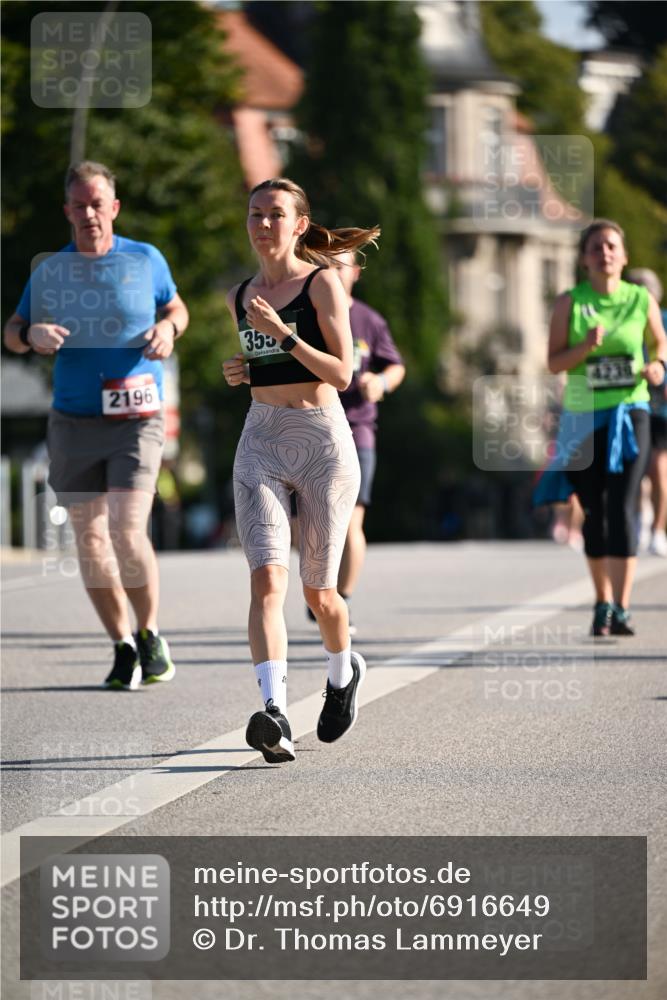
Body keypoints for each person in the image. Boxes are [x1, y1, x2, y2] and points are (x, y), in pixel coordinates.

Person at [4, 160, 189, 688]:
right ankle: (121, 644)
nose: (89, 213)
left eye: (97, 203)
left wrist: (169, 330)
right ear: (67, 211)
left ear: (114, 207)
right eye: (79, 205)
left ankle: (150, 631)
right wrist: (31, 335)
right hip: (74, 419)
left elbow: (177, 309)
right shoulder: (52, 271)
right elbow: (12, 329)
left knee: (126, 531)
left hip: (136, 417)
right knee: (89, 540)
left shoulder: (145, 259)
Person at [222, 177, 380, 764]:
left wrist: (282, 334)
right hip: (262, 437)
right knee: (266, 579)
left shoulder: (323, 283)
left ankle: (342, 673)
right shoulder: (241, 294)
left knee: (321, 595)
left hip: (321, 441)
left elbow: (342, 374)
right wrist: (244, 369)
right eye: (255, 213)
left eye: (275, 215)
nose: (263, 224)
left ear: (299, 225)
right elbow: (266, 364)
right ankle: (275, 712)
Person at [534, 219, 667, 636]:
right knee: (594, 510)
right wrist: (585, 347)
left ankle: (623, 606)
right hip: (583, 416)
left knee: (622, 505)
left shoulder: (639, 298)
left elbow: (659, 341)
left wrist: (657, 365)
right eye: (596, 247)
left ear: (624, 256)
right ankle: (601, 600)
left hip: (631, 412)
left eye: (611, 246)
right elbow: (554, 363)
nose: (604, 253)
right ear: (583, 259)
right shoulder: (569, 303)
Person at [331, 251, 405, 630]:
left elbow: (396, 365)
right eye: (324, 263)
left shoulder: (368, 320)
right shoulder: (307, 315)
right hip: (312, 427)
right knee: (305, 525)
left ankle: (340, 600)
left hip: (358, 428)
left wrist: (381, 382)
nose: (332, 270)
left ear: (356, 273)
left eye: (340, 264)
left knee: (351, 521)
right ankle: (323, 591)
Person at [625, 268, 667, 557]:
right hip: (632, 404)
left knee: (660, 472)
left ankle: (658, 531)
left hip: (661, 408)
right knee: (636, 470)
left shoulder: (664, 320)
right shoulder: (623, 320)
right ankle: (640, 521)